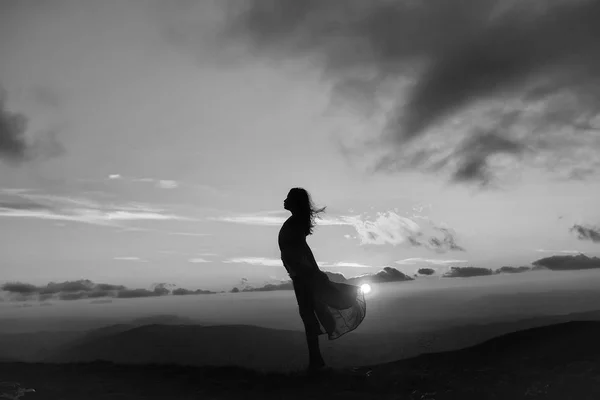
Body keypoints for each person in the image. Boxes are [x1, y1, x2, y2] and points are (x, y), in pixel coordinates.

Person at [278, 188, 366, 373]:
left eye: (288, 198)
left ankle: (316, 362)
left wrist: (310, 273)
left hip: (303, 275)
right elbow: (303, 251)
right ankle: (316, 360)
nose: (284, 200)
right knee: (309, 315)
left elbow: (301, 253)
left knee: (308, 316)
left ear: (296, 202)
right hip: (301, 274)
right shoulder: (296, 222)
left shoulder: (295, 223)